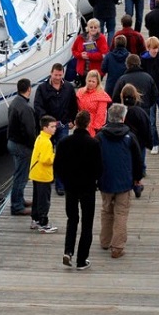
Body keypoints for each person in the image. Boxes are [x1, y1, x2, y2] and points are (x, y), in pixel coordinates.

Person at [54, 110, 103, 270]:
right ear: (89, 124)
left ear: (74, 123)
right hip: (88, 187)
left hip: (71, 187)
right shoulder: (94, 143)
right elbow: (99, 168)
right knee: (87, 224)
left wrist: (66, 180)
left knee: (72, 219)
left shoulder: (64, 142)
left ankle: (68, 251)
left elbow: (58, 166)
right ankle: (82, 260)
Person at [97, 104, 144, 258]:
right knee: (121, 213)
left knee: (106, 210)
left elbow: (94, 159)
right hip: (124, 181)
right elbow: (137, 159)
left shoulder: (100, 137)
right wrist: (137, 178)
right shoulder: (129, 137)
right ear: (123, 118)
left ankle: (105, 241)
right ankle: (117, 247)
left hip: (105, 180)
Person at [33, 63, 78, 195]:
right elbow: (38, 106)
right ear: (51, 73)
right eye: (55, 75)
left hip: (63, 125)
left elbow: (73, 105)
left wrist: (72, 119)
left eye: (60, 75)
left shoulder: (69, 87)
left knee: (62, 154)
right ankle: (49, 176)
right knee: (47, 153)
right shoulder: (42, 88)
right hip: (48, 127)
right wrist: (46, 121)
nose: (58, 77)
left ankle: (61, 184)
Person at [6, 78, 37, 216]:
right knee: (21, 176)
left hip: (12, 142)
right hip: (21, 146)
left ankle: (20, 199)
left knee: (19, 174)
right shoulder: (26, 107)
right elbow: (30, 131)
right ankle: (17, 206)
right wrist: (34, 146)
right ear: (29, 89)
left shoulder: (15, 103)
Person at [29, 116, 59, 233]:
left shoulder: (40, 137)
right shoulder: (47, 142)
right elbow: (45, 159)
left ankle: (35, 220)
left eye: (55, 126)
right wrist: (55, 156)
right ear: (45, 127)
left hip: (36, 173)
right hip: (43, 175)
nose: (54, 129)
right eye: (52, 127)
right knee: (44, 200)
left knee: (36, 198)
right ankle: (43, 223)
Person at [120, 84, 152, 181]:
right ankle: (138, 181)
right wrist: (149, 143)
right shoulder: (140, 112)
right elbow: (147, 128)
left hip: (124, 142)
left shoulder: (119, 111)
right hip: (139, 143)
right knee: (139, 162)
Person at [71, 18, 108, 83]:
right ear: (88, 28)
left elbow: (103, 55)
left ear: (98, 29)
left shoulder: (101, 38)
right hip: (82, 71)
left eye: (95, 27)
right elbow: (74, 50)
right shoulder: (80, 37)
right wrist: (80, 55)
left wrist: (89, 55)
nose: (93, 29)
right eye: (91, 27)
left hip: (96, 72)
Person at [76, 70, 110, 136]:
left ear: (97, 82)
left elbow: (101, 114)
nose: (90, 83)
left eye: (93, 81)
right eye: (89, 81)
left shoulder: (101, 95)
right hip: (80, 124)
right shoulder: (80, 92)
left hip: (92, 126)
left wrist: (96, 128)